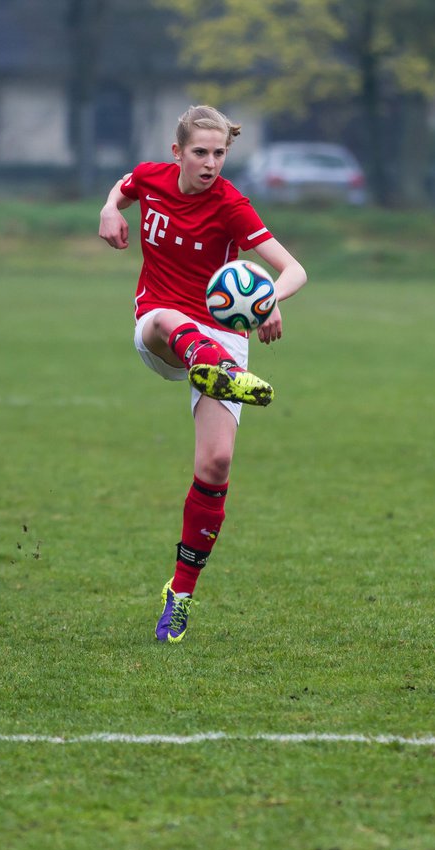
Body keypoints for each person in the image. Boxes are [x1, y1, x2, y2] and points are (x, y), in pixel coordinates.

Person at [98, 105, 308, 643]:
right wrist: (109, 209)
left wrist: (265, 299)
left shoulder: (231, 204)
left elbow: (294, 270)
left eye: (219, 153)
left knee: (215, 464)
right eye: (200, 152)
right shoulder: (151, 177)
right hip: (162, 325)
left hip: (220, 332)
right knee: (164, 322)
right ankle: (209, 366)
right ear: (178, 153)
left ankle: (181, 594)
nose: (211, 163)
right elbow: (123, 188)